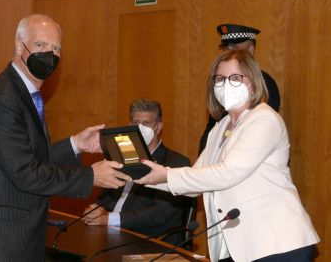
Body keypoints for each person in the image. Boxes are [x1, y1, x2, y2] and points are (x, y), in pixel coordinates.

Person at [0, 14, 131, 262]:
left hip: (17, 237)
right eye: (40, 45)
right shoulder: (4, 100)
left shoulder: (22, 93)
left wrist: (75, 144)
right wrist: (92, 175)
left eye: (57, 48)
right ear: (20, 46)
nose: (50, 55)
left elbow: (28, 158)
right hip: (1, 243)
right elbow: (26, 174)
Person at [135, 50, 319, 262]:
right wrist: (142, 175)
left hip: (276, 243)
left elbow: (228, 173)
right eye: (220, 79)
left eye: (235, 78)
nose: (226, 84)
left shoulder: (264, 119)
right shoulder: (220, 127)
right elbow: (196, 181)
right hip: (240, 246)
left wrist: (166, 175)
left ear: (254, 83)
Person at [83, 98, 192, 245]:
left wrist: (109, 218)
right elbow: (106, 196)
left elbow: (160, 214)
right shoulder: (121, 154)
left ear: (158, 127)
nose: (140, 127)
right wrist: (94, 210)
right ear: (130, 125)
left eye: (146, 123)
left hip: (148, 242)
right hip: (108, 235)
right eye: (135, 123)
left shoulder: (177, 162)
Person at [199, 24, 280, 155]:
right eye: (226, 49)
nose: (229, 53)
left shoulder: (265, 83)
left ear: (250, 51)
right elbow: (213, 126)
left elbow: (258, 132)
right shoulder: (221, 83)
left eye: (235, 48)